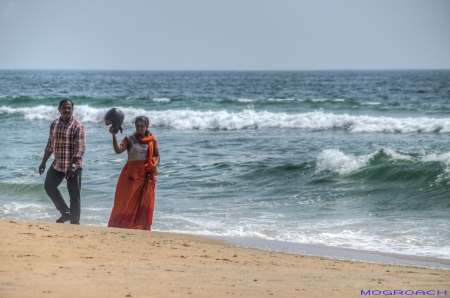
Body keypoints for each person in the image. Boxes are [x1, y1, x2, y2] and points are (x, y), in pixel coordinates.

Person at [107, 116, 160, 230]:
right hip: (131, 176)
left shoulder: (152, 140)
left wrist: (154, 166)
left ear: (147, 126)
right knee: (125, 201)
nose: (139, 128)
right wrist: (114, 136)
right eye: (137, 126)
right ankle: (122, 225)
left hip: (145, 176)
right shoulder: (129, 139)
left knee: (144, 202)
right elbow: (118, 150)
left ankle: (140, 227)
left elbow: (156, 155)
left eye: (142, 126)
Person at [39, 99, 86, 224]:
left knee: (74, 195)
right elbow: (50, 145)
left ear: (72, 110)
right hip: (58, 163)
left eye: (69, 108)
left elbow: (80, 148)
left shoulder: (78, 126)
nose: (67, 110)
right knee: (49, 186)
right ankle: (65, 213)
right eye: (64, 108)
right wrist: (43, 162)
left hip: (73, 167)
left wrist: (73, 165)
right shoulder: (54, 124)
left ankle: (75, 223)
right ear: (59, 109)